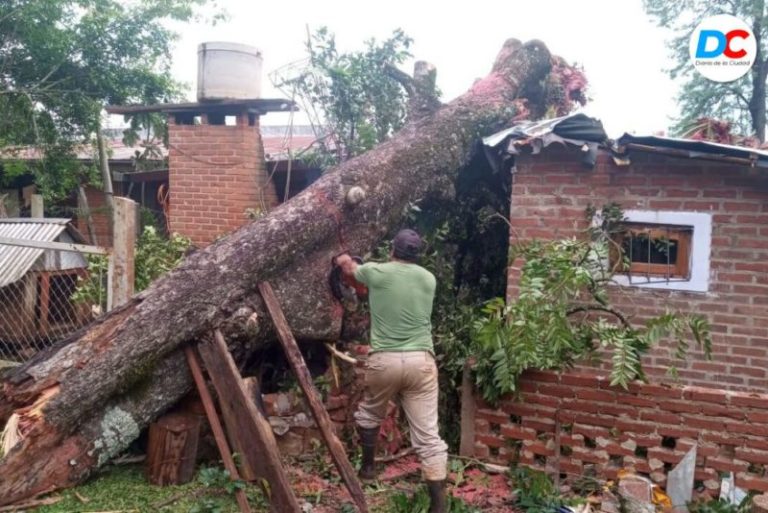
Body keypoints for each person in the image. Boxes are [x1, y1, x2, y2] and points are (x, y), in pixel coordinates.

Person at [335, 229, 448, 513]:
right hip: (421, 361)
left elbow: (349, 268)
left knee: (370, 413)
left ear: (392, 251)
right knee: (428, 436)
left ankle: (369, 468)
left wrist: (342, 257)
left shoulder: (377, 272)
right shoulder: (428, 278)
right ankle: (438, 507)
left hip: (383, 360)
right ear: (418, 254)